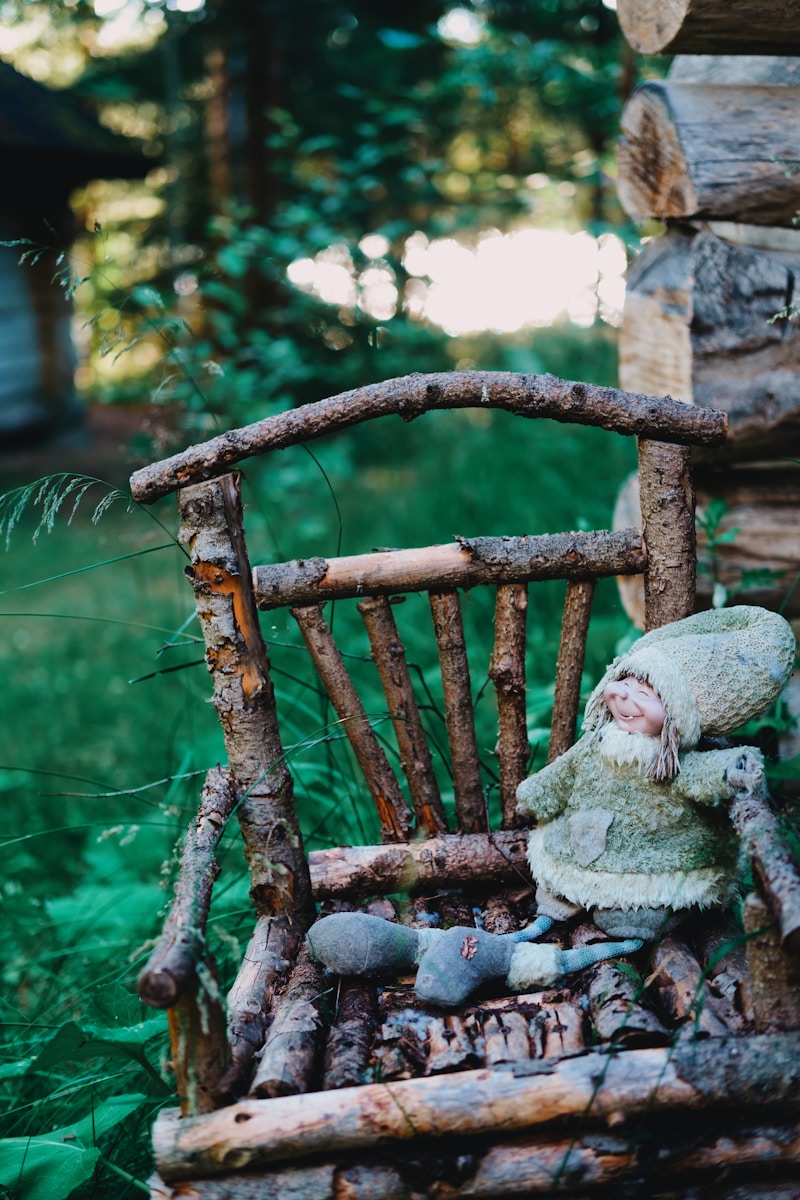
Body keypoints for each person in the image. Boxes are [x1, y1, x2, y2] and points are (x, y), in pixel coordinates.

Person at [307, 606, 796, 1008]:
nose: (625, 698)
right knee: (550, 906)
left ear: (679, 715)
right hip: (574, 854)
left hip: (648, 874)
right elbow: (562, 774)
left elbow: (700, 776)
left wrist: (730, 768)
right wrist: (537, 793)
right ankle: (451, 943)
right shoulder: (599, 741)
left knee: (629, 927)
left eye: (646, 693)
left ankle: (503, 959)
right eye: (623, 683)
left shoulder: (670, 762)